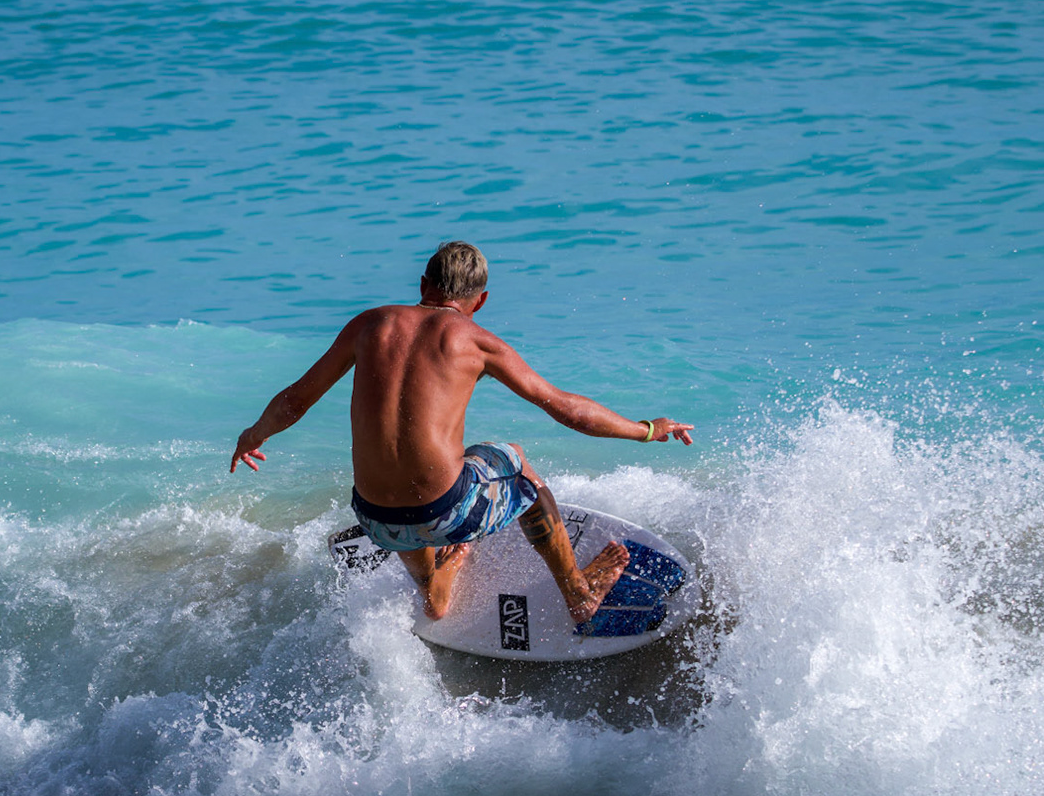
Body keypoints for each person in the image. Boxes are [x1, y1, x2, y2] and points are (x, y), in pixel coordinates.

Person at [230, 242, 695, 623]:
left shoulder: (369, 325)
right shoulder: (476, 341)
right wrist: (647, 430)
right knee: (511, 459)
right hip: (445, 514)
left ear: (422, 286)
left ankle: (433, 590)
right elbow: (570, 412)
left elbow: (295, 401)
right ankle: (578, 592)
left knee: (437, 469)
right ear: (481, 300)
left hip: (374, 522)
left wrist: (253, 434)